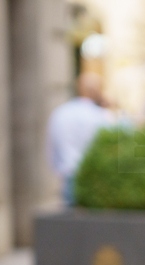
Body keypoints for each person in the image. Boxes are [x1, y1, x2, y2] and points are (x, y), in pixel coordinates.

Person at [46, 72, 116, 206]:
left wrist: (60, 168)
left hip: (68, 175)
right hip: (94, 179)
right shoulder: (102, 116)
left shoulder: (61, 113)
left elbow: (51, 147)